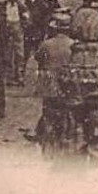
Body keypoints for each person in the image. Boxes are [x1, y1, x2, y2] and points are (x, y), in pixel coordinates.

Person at [33, 9, 77, 156]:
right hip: (66, 83)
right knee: (65, 111)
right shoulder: (73, 45)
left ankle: (47, 142)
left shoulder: (47, 44)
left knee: (48, 112)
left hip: (49, 83)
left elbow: (38, 58)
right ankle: (64, 140)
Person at [1, 0, 27, 85]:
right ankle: (9, 77)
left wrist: (23, 26)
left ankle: (19, 76)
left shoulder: (21, 6)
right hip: (7, 33)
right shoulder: (4, 6)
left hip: (18, 32)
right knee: (7, 54)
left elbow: (27, 19)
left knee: (19, 55)